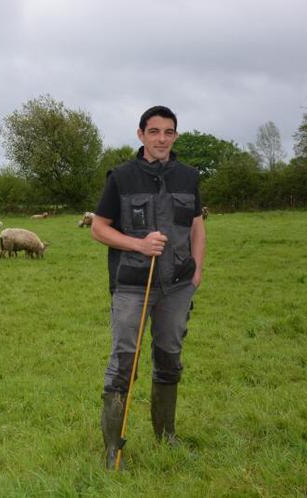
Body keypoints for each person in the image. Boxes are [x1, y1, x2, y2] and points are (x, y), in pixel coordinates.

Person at [91, 105, 206, 469]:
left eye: (168, 132)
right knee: (124, 362)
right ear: (140, 135)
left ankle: (166, 436)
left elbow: (197, 226)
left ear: (175, 136)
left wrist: (197, 270)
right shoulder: (121, 177)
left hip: (176, 285)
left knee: (169, 358)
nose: (161, 138)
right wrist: (139, 245)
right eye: (154, 131)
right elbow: (99, 228)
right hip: (132, 286)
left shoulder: (189, 177)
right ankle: (113, 449)